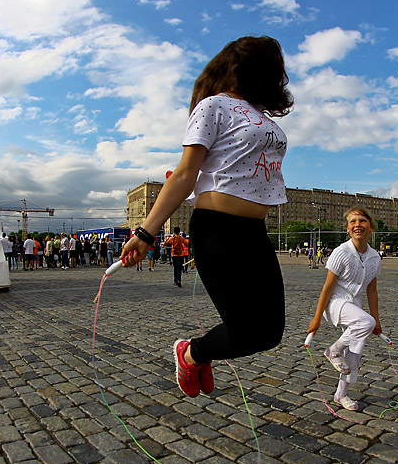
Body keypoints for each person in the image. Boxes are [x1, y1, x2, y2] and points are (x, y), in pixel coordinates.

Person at [120, 35, 292, 398]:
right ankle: (191, 353)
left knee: (270, 332)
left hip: (253, 231)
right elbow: (184, 175)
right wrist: (146, 233)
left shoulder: (258, 114)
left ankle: (195, 353)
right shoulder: (213, 106)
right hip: (218, 229)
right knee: (246, 329)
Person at [307, 207, 382, 411]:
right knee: (365, 322)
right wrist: (317, 318)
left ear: (371, 227)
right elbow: (328, 287)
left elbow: (372, 291)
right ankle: (333, 351)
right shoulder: (341, 252)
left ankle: (341, 394)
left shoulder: (375, 257)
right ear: (348, 229)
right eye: (353, 222)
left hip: (354, 307)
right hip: (335, 304)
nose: (357, 224)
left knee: (354, 354)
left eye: (362, 221)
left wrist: (377, 320)